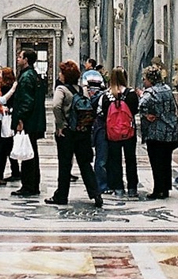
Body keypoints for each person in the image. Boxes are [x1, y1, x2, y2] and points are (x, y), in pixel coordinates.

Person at [45, 60, 102, 207]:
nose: (59, 74)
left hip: (67, 132)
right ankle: (96, 193)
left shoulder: (61, 89)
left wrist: (60, 125)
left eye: (61, 72)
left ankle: (61, 195)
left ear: (65, 75)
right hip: (82, 131)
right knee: (85, 164)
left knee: (65, 165)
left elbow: (56, 106)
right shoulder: (82, 90)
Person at [139, 64, 178, 200]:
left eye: (145, 79)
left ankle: (158, 189)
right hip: (169, 129)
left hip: (155, 131)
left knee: (156, 162)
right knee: (166, 161)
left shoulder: (151, 92)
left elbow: (141, 104)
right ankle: (166, 188)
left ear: (150, 79)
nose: (144, 81)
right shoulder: (167, 89)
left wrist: (146, 114)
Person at [99, 66, 139, 198]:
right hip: (129, 131)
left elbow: (103, 113)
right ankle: (132, 188)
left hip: (112, 132)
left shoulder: (107, 95)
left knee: (114, 160)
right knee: (130, 159)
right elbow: (135, 110)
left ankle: (118, 187)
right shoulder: (131, 93)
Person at [10, 49, 46, 197]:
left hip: (28, 121)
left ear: (26, 60)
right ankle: (32, 184)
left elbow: (26, 101)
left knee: (27, 154)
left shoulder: (26, 77)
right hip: (34, 120)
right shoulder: (34, 75)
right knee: (31, 152)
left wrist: (20, 119)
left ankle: (29, 186)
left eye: (20, 57)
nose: (18, 59)